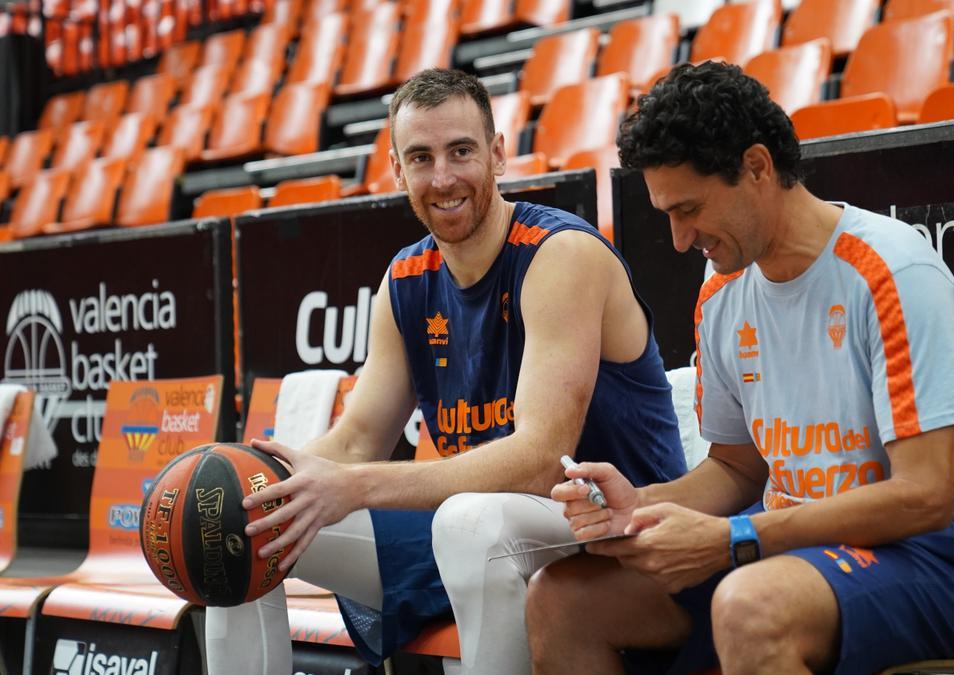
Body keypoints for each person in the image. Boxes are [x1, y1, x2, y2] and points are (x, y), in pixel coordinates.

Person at [525, 61, 954, 675]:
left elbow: (924, 499)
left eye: (690, 209)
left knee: (750, 604)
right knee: (561, 598)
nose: (679, 240)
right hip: (792, 541)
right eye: (667, 215)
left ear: (757, 167)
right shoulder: (721, 289)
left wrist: (736, 539)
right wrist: (640, 508)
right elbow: (736, 468)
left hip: (944, 557)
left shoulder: (892, 271)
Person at [206, 68, 687, 675]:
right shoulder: (404, 281)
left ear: (497, 154)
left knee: (470, 521)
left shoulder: (560, 254)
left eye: (461, 151)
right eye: (421, 157)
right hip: (481, 529)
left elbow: (542, 458)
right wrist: (264, 481)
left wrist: (355, 486)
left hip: (617, 526)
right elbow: (357, 440)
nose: (443, 177)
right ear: (397, 171)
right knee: (238, 527)